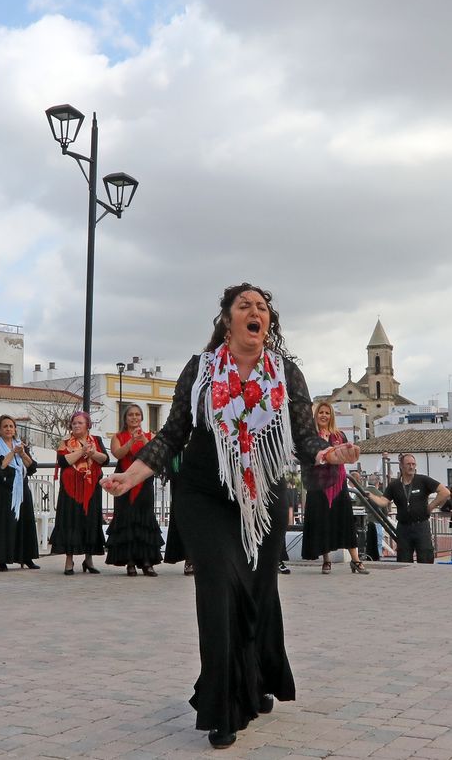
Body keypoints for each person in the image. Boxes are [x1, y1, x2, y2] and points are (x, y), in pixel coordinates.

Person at [101, 283, 353, 748]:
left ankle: (255, 679)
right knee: (217, 589)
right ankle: (221, 707)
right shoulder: (200, 370)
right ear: (226, 320)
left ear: (268, 323)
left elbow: (303, 439)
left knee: (257, 591)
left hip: (262, 494)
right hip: (203, 491)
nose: (255, 312)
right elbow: (172, 433)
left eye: (262, 307)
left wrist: (329, 453)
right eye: (245, 306)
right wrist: (131, 475)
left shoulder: (285, 373)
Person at [302, 400, 363, 574]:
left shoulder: (339, 436)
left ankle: (356, 560)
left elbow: (346, 457)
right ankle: (326, 560)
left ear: (331, 416)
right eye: (321, 412)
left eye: (327, 413)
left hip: (338, 483)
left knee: (345, 520)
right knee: (322, 522)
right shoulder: (311, 438)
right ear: (316, 415)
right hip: (318, 485)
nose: (324, 415)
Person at [106, 405, 164, 576]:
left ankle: (147, 562)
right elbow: (118, 454)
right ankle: (130, 561)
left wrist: (143, 440)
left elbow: (154, 453)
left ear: (142, 418)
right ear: (125, 418)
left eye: (137, 415)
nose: (134, 417)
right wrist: (131, 441)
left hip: (144, 482)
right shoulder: (118, 437)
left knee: (145, 519)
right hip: (123, 483)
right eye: (130, 415)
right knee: (127, 519)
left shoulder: (150, 435)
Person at [49, 409, 105, 575]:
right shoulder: (65, 442)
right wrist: (82, 451)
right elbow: (63, 461)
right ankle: (69, 560)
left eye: (80, 422)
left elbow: (105, 459)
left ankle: (89, 560)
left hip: (91, 487)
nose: (76, 425)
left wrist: (93, 452)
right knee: (70, 522)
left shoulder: (96, 440)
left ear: (88, 425)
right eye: (74, 423)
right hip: (70, 489)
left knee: (90, 521)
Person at [0, 415, 40, 571]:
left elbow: (32, 467)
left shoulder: (20, 445)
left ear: (15, 429)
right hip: (3, 491)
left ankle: (26, 557)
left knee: (25, 522)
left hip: (21, 488)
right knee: (3, 524)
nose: (8, 429)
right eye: (5, 426)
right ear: (0, 429)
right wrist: (12, 453)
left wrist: (22, 453)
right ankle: (1, 558)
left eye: (11, 426)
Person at [367, 453, 447, 563]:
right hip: (403, 528)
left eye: (413, 464)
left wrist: (431, 506)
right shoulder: (394, 485)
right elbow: (383, 502)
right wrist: (370, 495)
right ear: (401, 466)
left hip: (421, 526)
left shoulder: (423, 480)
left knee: (426, 559)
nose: (411, 466)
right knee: (403, 560)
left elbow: (444, 492)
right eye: (408, 464)